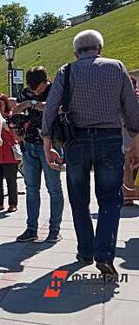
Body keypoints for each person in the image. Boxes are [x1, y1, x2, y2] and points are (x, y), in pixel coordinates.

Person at [42, 29, 139, 277]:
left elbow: (51, 107)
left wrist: (47, 144)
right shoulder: (116, 67)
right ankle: (105, 255)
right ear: (100, 49)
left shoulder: (67, 71)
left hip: (76, 142)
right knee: (110, 199)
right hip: (109, 139)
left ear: (76, 52)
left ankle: (85, 250)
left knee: (79, 199)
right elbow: (131, 108)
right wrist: (135, 142)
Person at [12, 66, 64, 243]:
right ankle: (31, 229)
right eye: (31, 88)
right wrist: (17, 128)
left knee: (54, 189)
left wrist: (30, 104)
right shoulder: (26, 92)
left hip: (51, 147)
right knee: (31, 189)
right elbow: (17, 112)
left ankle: (54, 230)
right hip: (30, 145)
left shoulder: (55, 89)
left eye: (37, 88)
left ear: (45, 81)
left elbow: (57, 108)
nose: (33, 91)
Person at [0, 94, 20, 213]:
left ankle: (13, 204)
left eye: (0, 104)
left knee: (11, 181)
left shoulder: (11, 117)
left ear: (5, 104)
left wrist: (6, 128)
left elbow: (15, 137)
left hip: (10, 156)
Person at [122, 74, 139, 206]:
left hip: (127, 136)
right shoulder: (135, 98)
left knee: (127, 166)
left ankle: (127, 195)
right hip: (132, 135)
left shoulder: (122, 99)